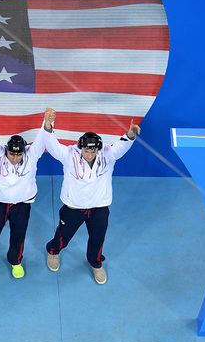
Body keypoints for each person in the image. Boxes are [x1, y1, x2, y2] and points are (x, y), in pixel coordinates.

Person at [42, 107, 141, 284]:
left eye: (93, 151)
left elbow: (121, 147)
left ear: (98, 148)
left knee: (97, 239)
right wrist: (49, 125)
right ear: (80, 147)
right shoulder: (68, 155)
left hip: (99, 208)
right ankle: (53, 251)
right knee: (63, 234)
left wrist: (131, 134)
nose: (89, 154)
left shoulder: (107, 155)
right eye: (86, 151)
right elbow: (52, 145)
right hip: (73, 207)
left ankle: (96, 263)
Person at [0, 102, 56, 278]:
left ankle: (15, 261)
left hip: (22, 205)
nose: (15, 157)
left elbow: (43, 138)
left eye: (19, 154)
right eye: (12, 153)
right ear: (7, 150)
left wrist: (48, 122)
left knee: (18, 235)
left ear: (24, 151)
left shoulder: (31, 155)